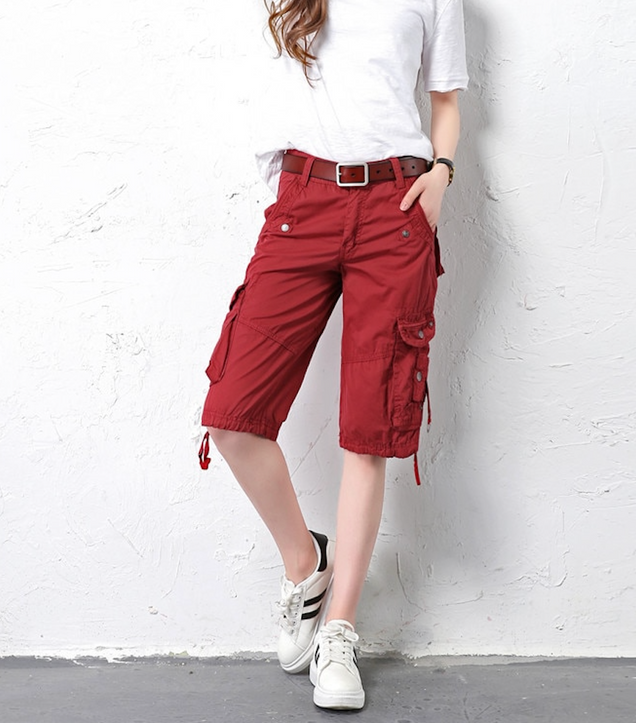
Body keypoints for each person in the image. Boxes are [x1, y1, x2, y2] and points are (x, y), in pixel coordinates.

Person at [197, 0, 468, 710]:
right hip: (303, 202)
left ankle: (340, 627)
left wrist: (441, 172)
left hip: (397, 209)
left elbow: (446, 97)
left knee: (369, 430)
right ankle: (304, 561)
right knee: (231, 416)